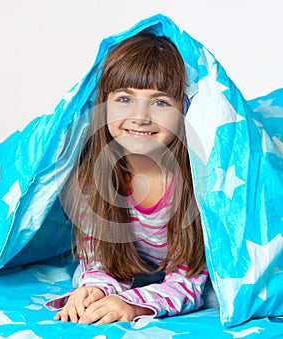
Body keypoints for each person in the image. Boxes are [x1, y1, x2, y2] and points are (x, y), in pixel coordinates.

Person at [46, 32, 208, 325]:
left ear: (184, 109)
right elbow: (100, 264)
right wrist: (93, 291)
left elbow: (190, 283)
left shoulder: (197, 184)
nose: (140, 116)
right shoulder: (93, 181)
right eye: (124, 99)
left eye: (160, 102)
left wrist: (131, 305)